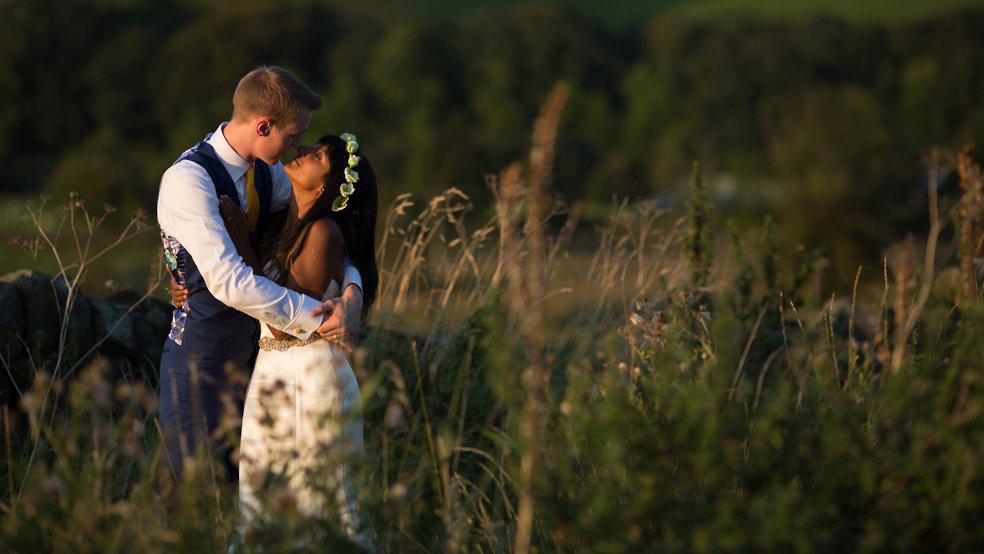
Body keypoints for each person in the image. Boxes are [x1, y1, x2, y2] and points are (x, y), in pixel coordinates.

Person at [171, 133, 380, 550]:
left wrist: (242, 240)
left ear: (325, 187)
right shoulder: (287, 222)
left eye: (317, 155)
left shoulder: (322, 232)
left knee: (321, 503)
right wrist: (183, 282)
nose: (301, 152)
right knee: (261, 501)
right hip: (273, 375)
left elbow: (286, 322)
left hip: (313, 380)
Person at [156, 66, 364, 484]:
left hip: (261, 365)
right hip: (202, 360)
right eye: (293, 134)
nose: (298, 145)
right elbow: (229, 282)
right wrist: (321, 318)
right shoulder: (189, 181)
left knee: (255, 497)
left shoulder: (267, 172)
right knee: (195, 498)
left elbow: (317, 230)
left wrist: (352, 293)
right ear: (263, 125)